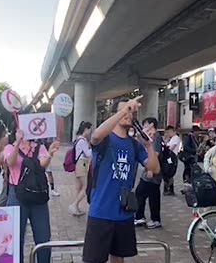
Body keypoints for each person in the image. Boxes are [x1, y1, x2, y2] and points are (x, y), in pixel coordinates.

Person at [83, 96, 160, 263]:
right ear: (114, 114)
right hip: (101, 211)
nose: (129, 113)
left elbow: (154, 168)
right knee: (94, 259)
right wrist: (126, 109)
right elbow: (95, 136)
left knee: (118, 258)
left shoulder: (134, 144)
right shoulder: (105, 139)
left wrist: (148, 146)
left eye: (131, 111)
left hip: (124, 213)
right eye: (125, 110)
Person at [4, 130, 60, 263]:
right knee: (16, 237)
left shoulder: (39, 147)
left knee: (43, 236)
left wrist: (50, 153)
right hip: (17, 195)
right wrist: (18, 142)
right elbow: (10, 163)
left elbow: (42, 166)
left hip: (37, 195)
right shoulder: (10, 147)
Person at [135, 117, 163, 229]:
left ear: (151, 124)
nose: (144, 126)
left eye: (146, 124)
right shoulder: (151, 137)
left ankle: (144, 218)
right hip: (151, 171)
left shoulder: (155, 137)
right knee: (151, 195)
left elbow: (155, 154)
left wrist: (150, 169)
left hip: (153, 172)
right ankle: (149, 218)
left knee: (142, 193)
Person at [69, 121, 93, 216]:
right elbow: (88, 154)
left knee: (79, 187)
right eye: (90, 129)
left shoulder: (77, 139)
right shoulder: (82, 141)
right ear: (86, 129)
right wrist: (94, 148)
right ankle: (74, 205)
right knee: (85, 187)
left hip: (78, 164)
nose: (91, 132)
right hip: (82, 164)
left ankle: (76, 207)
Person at [163, 125, 181, 195]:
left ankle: (170, 189)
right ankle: (167, 188)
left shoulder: (175, 138)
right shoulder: (171, 139)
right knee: (166, 173)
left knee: (169, 173)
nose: (168, 134)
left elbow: (170, 148)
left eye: (169, 132)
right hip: (168, 157)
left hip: (172, 157)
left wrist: (166, 147)